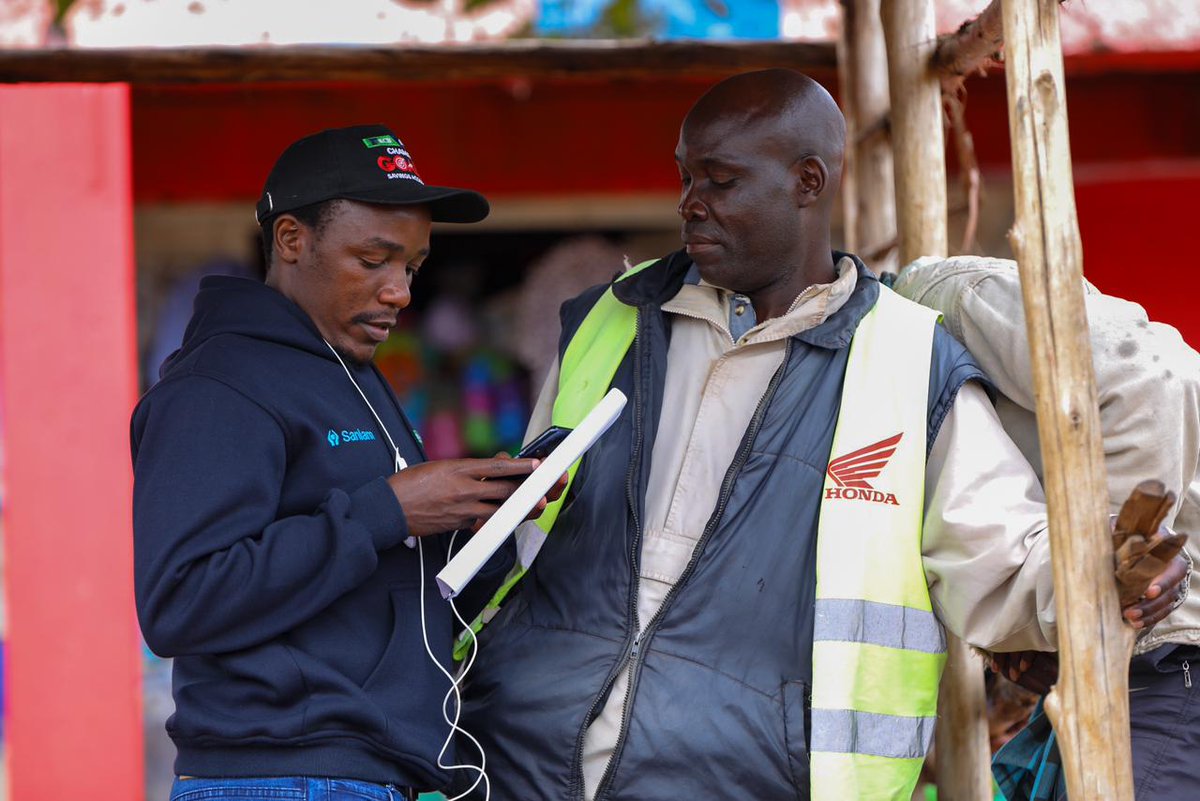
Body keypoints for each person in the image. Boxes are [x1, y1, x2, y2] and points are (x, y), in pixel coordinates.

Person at [456, 70, 1187, 801]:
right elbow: (528, 531)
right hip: (521, 763)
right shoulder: (609, 317)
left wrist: (1102, 587)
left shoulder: (911, 360)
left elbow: (999, 562)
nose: (689, 205)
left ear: (808, 181)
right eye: (685, 177)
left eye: (721, 180)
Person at [131, 125, 556, 801]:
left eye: (411, 267)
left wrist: (477, 530)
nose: (400, 292)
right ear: (293, 239)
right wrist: (387, 509)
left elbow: (383, 599)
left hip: (371, 773)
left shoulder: (353, 377)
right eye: (373, 259)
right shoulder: (219, 384)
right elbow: (180, 600)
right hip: (279, 777)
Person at [895, 255, 1200, 799]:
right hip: (1135, 671)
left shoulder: (937, 300)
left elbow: (1152, 374)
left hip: (1167, 664)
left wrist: (1098, 587)